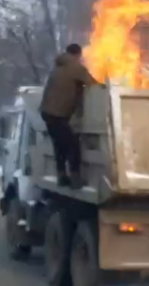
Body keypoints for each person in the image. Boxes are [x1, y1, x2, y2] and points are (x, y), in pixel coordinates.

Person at [40, 43, 104, 187]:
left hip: (47, 112)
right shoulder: (75, 67)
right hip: (57, 114)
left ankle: (62, 176)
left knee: (60, 145)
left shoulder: (59, 66)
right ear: (77, 55)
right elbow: (93, 84)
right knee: (73, 144)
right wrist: (105, 87)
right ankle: (75, 178)